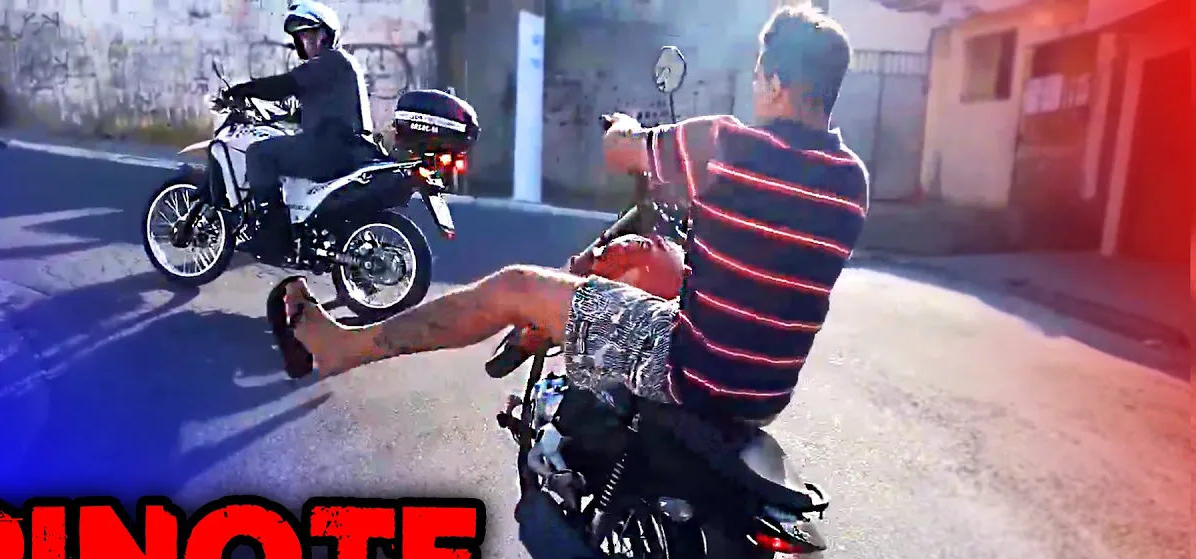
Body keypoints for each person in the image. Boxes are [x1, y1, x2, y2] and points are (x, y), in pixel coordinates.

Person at [280, 4, 870, 425]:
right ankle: (567, 373)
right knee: (646, 265)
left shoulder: (723, 144)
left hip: (692, 372)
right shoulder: (851, 182)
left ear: (776, 82)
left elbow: (621, 153)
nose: (755, 87)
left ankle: (348, 346)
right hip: (766, 395)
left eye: (759, 76)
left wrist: (625, 126)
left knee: (515, 284)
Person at [222, 1, 377, 258]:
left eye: (308, 34)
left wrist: (243, 90)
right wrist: (278, 115)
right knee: (282, 147)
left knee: (260, 154)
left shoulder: (331, 61)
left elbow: (284, 84)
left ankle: (272, 233)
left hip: (331, 148)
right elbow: (310, 112)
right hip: (345, 146)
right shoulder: (335, 68)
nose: (304, 41)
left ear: (325, 35)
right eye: (301, 36)